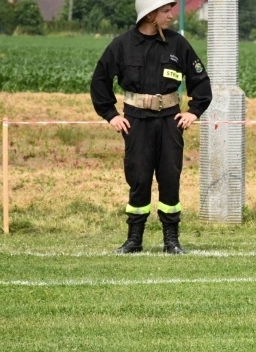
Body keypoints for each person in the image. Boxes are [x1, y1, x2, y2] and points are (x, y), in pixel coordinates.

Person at [90, 0, 212, 254]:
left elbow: (200, 79)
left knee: (170, 178)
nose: (171, 16)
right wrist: (111, 115)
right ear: (150, 16)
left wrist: (194, 112)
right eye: (165, 11)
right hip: (135, 122)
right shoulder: (121, 45)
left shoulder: (178, 43)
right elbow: (100, 80)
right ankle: (134, 239)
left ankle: (171, 240)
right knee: (139, 178)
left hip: (170, 121)